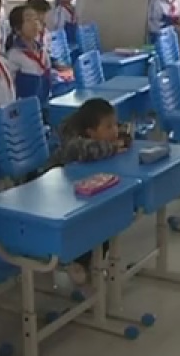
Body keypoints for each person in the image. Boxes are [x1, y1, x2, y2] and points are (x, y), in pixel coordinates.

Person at [48, 98, 131, 284]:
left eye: (115, 125)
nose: (114, 130)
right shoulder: (74, 144)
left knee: (108, 217)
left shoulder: (102, 136)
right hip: (62, 193)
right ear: (90, 132)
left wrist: (122, 140)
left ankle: (93, 263)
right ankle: (79, 262)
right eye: (108, 127)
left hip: (87, 191)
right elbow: (85, 149)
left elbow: (123, 136)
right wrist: (113, 147)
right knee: (91, 221)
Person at [6, 5, 51, 105]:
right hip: (25, 107)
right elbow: (9, 87)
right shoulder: (14, 55)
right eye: (28, 20)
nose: (35, 23)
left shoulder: (42, 51)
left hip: (43, 104)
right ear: (17, 29)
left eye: (36, 19)